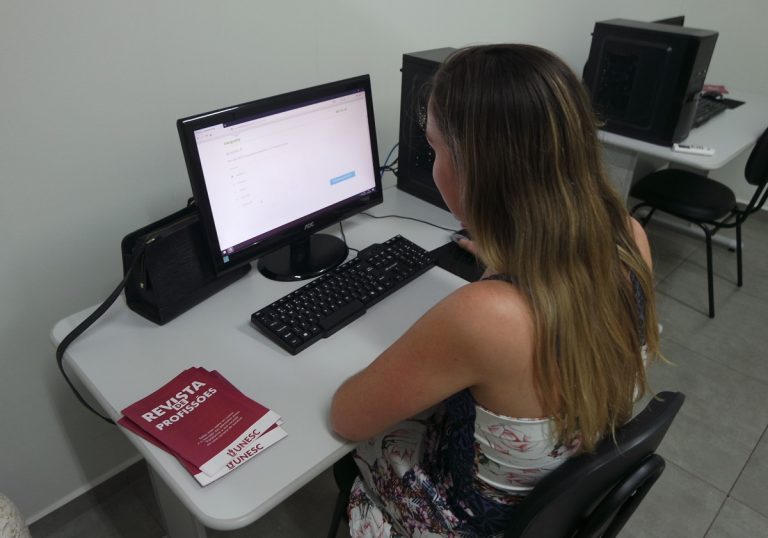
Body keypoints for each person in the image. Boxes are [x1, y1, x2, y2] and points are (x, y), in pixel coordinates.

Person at [330, 44, 659, 537]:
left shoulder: (488, 315)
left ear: (478, 171)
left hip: (472, 522)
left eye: (435, 149)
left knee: (349, 448)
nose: (433, 165)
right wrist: (504, 254)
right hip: (556, 494)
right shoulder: (630, 237)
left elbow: (347, 417)